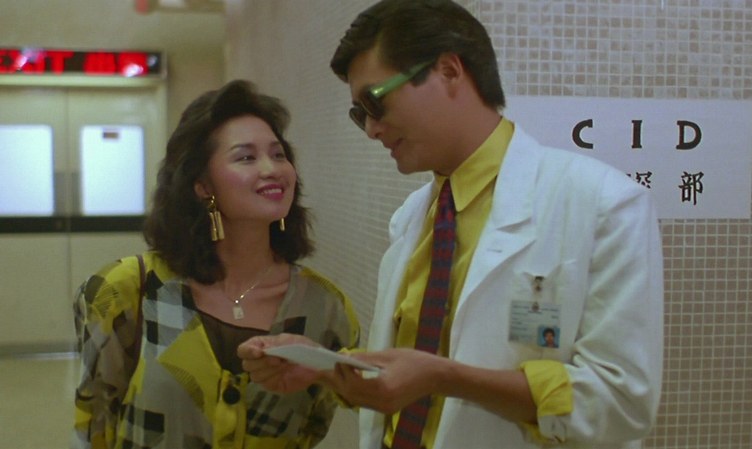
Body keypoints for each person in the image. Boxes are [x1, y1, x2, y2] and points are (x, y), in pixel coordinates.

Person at [239, 1, 664, 448]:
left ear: (448, 71)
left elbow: (621, 404)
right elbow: (412, 370)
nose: (372, 129)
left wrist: (445, 378)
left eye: (375, 102)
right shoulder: (413, 217)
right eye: (359, 113)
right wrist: (326, 369)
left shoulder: (604, 205)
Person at [72, 80, 360, 449]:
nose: (272, 169)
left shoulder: (325, 308)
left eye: (279, 154)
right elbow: (95, 424)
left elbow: (319, 426)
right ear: (202, 185)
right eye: (246, 157)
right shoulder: (128, 290)